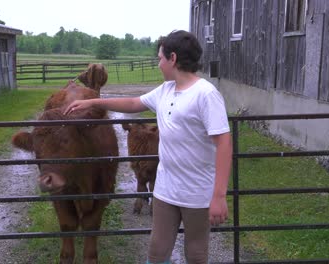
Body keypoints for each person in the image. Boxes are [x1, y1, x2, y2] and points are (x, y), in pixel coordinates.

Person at [65, 30, 232, 264]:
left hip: (197, 192)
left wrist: (219, 196)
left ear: (172, 58)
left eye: (160, 58)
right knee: (156, 252)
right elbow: (134, 103)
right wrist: (92, 101)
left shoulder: (205, 95)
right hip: (165, 190)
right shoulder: (166, 90)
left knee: (196, 254)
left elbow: (224, 144)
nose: (158, 63)